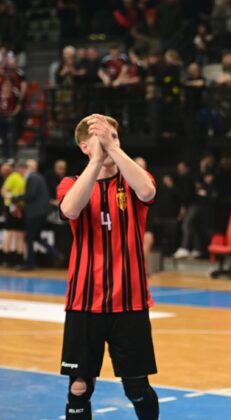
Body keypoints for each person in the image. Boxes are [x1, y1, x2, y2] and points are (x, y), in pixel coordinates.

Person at [57, 114, 159, 420]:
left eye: (114, 136)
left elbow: (148, 192)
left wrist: (111, 148)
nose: (109, 142)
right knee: (79, 387)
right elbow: (70, 209)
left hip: (130, 303)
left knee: (136, 387)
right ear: (85, 146)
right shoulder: (71, 183)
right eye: (101, 139)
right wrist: (96, 161)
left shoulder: (133, 179)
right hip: (84, 302)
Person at [17, 159, 63, 270]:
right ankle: (56, 254)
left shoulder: (32, 178)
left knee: (29, 238)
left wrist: (17, 198)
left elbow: (31, 195)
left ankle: (29, 264)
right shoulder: (37, 177)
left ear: (22, 169)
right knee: (36, 237)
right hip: (41, 212)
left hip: (35, 213)